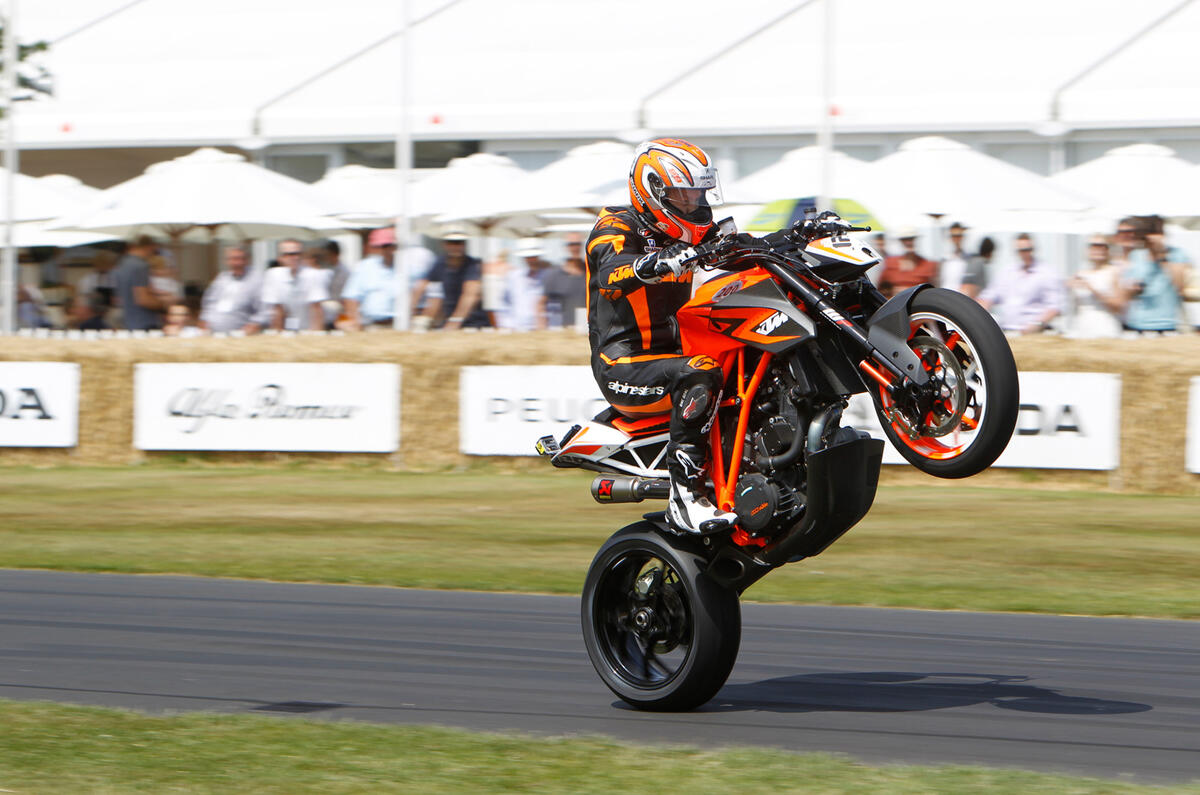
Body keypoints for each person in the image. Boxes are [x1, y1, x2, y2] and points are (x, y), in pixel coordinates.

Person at [585, 137, 734, 534]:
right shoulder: (615, 226)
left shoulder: (687, 232)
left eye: (697, 195)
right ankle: (685, 498)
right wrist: (657, 262)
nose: (692, 204)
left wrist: (798, 237)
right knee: (700, 372)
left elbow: (734, 245)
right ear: (652, 191)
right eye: (682, 196)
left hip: (673, 354)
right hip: (624, 364)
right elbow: (611, 270)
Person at [341, 227, 436, 330]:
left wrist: (413, 306)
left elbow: (424, 282)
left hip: (400, 325)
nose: (387, 250)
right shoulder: (365, 267)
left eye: (390, 246)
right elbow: (351, 297)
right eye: (383, 246)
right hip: (372, 324)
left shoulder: (408, 268)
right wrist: (356, 322)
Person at [977, 234, 1064, 334]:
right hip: (1007, 331)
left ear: (1033, 249)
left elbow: (1054, 307)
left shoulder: (1046, 273)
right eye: (1021, 250)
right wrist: (978, 314)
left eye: (1028, 249)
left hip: (1035, 334)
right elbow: (988, 297)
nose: (1025, 253)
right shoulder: (1007, 272)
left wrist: (1037, 324)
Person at [1121, 215, 1189, 334]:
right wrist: (1132, 287)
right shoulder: (1136, 256)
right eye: (1148, 234)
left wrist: (1161, 255)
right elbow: (1125, 292)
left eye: (1155, 233)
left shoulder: (1177, 254)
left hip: (1168, 324)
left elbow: (1180, 286)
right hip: (1138, 324)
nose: (1151, 238)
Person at [417, 229, 490, 330]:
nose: (456, 246)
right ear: (444, 244)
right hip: (448, 322)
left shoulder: (473, 265)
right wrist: (424, 319)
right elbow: (433, 294)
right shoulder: (439, 264)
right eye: (451, 242)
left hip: (474, 324)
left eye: (460, 242)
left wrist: (455, 321)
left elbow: (471, 295)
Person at [262, 240, 329, 331]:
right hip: (286, 331)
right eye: (289, 254)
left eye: (298, 254)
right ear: (280, 258)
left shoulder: (313, 275)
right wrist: (278, 335)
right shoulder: (273, 275)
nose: (294, 257)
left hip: (308, 330)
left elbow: (316, 309)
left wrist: (315, 334)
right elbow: (277, 310)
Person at [198, 245, 266, 334]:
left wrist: (255, 324)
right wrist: (204, 319)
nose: (236, 263)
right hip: (212, 334)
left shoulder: (257, 280)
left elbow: (264, 309)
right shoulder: (222, 278)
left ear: (247, 260)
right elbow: (209, 302)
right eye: (232, 259)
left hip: (239, 335)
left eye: (240, 258)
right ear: (227, 261)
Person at [1067, 234, 1123, 338]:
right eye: (1093, 246)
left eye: (1102, 246)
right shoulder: (1081, 273)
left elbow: (1118, 306)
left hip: (1104, 326)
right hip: (1082, 326)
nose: (1098, 250)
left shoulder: (1113, 272)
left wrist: (1092, 289)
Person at [112, 235, 166, 330]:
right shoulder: (141, 266)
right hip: (144, 322)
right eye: (154, 251)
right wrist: (164, 304)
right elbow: (143, 299)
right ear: (150, 247)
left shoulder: (121, 264)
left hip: (127, 321)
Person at [541, 232, 587, 329]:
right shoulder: (554, 275)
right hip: (562, 330)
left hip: (587, 329)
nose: (575, 248)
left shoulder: (591, 272)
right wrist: (542, 328)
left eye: (578, 244)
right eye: (571, 244)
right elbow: (541, 303)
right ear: (565, 247)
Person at [503, 238, 551, 331]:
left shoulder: (549, 276)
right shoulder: (513, 276)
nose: (531, 260)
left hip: (544, 328)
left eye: (534, 256)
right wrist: (508, 324)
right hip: (518, 328)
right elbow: (505, 303)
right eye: (528, 257)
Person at [878, 228, 938, 298]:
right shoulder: (890, 263)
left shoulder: (928, 264)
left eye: (911, 239)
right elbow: (881, 288)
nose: (908, 242)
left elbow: (934, 290)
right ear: (901, 241)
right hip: (895, 303)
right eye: (905, 239)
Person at [939, 222, 985, 297]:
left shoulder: (973, 260)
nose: (957, 239)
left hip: (963, 301)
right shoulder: (944, 261)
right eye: (954, 236)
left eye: (959, 236)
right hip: (946, 300)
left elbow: (981, 285)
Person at [319, 239, 351, 330]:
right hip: (326, 314)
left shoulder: (344, 272)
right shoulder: (325, 269)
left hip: (339, 313)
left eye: (326, 254)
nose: (325, 257)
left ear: (334, 254)